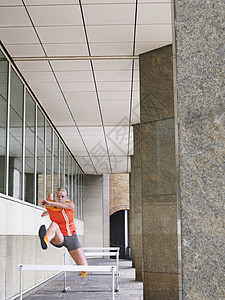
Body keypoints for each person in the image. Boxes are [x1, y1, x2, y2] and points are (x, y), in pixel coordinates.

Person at [38, 187, 88, 278]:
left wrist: (48, 207)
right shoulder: (50, 206)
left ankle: (83, 272)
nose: (60, 198)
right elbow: (55, 207)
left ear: (66, 198)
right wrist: (48, 210)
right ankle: (45, 240)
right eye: (58, 196)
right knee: (54, 224)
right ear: (55, 197)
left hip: (72, 238)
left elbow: (63, 207)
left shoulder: (70, 205)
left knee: (84, 269)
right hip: (59, 237)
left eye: (62, 196)